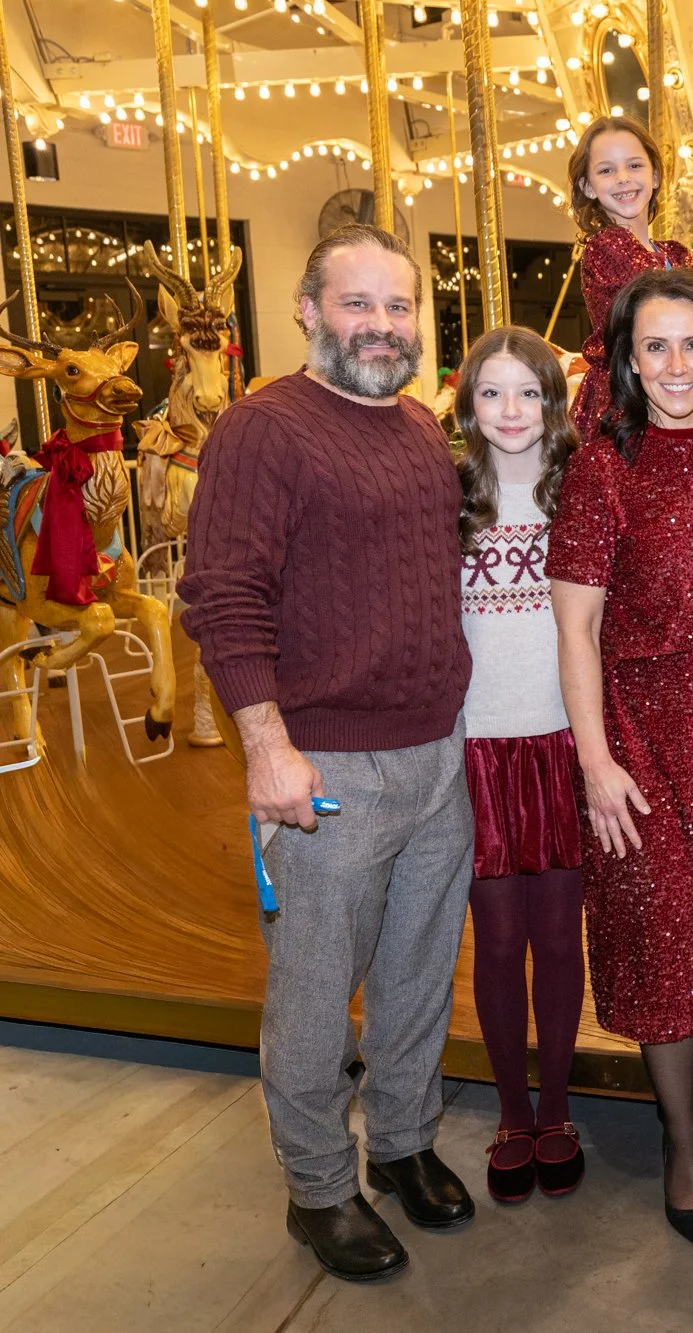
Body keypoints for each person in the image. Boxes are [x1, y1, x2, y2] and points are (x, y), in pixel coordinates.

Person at [179, 223, 475, 1283]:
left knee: (415, 974)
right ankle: (316, 1187)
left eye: (399, 308)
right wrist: (266, 746)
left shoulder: (409, 425)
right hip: (329, 767)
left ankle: (399, 1141)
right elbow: (222, 595)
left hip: (437, 756)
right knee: (314, 993)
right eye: (359, 305)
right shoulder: (264, 429)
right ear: (306, 309)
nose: (383, 326)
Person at [546, 267, 693, 1249]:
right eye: (656, 346)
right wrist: (595, 762)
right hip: (638, 725)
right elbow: (573, 630)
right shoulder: (602, 466)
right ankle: (681, 1146)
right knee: (662, 939)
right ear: (626, 359)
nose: (678, 365)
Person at [453, 326, 587, 1205]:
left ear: (552, 402)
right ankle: (510, 1111)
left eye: (527, 392)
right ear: (468, 407)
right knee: (498, 937)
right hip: (477, 747)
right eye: (492, 393)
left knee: (557, 934)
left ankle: (558, 1106)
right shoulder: (447, 497)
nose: (511, 411)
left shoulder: (577, 493)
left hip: (565, 741)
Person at [566, 114, 693, 442]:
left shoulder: (673, 253)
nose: (623, 178)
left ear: (655, 175)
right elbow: (692, 314)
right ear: (587, 186)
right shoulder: (607, 246)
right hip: (628, 400)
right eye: (606, 170)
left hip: (668, 392)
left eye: (635, 166)